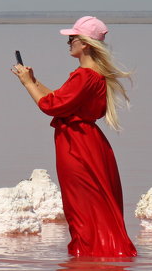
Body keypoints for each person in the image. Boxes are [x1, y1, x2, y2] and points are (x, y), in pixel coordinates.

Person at [11, 16, 137, 258]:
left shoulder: (84, 76)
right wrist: (33, 81)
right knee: (94, 205)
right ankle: (96, 260)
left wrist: (27, 84)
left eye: (73, 38)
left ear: (86, 44)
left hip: (77, 146)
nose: (69, 42)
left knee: (81, 208)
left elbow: (50, 106)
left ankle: (89, 259)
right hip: (88, 142)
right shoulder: (91, 75)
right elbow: (60, 99)